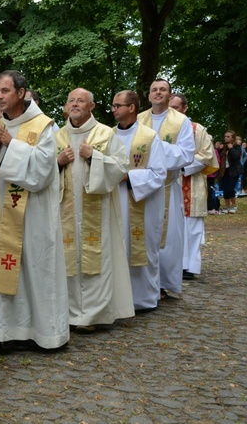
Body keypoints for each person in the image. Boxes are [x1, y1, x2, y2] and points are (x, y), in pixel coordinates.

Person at [0, 70, 69, 353]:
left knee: (33, 269)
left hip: (32, 215)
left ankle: (38, 332)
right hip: (0, 212)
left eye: (5, 91)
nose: (0, 97)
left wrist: (12, 144)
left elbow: (42, 171)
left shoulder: (43, 126)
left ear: (22, 93)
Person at [58, 87, 132, 331]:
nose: (75, 104)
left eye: (81, 101)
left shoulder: (105, 134)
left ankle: (92, 316)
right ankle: (68, 313)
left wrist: (94, 157)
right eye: (71, 100)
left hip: (97, 212)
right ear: (66, 106)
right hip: (64, 213)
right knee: (67, 259)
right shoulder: (57, 137)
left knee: (96, 259)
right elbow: (40, 171)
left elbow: (121, 167)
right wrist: (57, 163)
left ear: (92, 106)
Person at [137, 79, 195, 298]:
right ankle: (142, 283)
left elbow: (187, 154)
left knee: (166, 237)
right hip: (141, 185)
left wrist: (156, 148)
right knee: (141, 233)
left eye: (162, 90)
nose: (158, 93)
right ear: (149, 96)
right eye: (154, 90)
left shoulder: (181, 121)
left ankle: (161, 283)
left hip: (167, 186)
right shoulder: (139, 119)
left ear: (170, 96)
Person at [112, 90, 166, 312]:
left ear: (131, 108)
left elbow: (158, 173)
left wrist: (128, 176)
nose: (113, 109)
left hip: (141, 203)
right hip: (114, 201)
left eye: (118, 106)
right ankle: (118, 299)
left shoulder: (150, 137)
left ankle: (143, 298)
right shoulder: (108, 135)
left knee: (140, 247)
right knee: (117, 249)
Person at [169, 94, 218, 280]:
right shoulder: (161, 129)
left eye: (177, 108)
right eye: (170, 107)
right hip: (168, 182)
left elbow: (207, 154)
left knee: (192, 226)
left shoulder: (197, 129)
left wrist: (181, 165)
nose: (173, 111)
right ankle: (172, 265)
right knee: (172, 225)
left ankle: (190, 266)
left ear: (185, 108)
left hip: (191, 180)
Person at [219, 130, 242, 213]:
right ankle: (227, 206)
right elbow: (219, 158)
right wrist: (219, 149)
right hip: (225, 170)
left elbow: (236, 157)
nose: (226, 138)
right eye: (225, 136)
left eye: (228, 136)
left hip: (234, 170)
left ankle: (234, 205)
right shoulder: (224, 147)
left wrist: (231, 148)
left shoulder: (236, 146)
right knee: (225, 188)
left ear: (232, 138)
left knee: (230, 188)